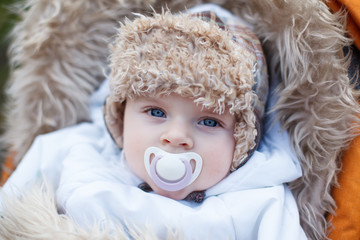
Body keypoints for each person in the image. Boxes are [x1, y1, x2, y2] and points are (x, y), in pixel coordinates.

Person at [1, 4, 306, 239]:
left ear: (244, 139)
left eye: (210, 122)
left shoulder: (262, 201)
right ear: (120, 116)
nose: (175, 137)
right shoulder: (74, 149)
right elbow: (8, 215)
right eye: (156, 113)